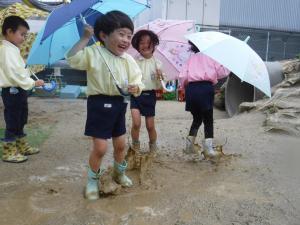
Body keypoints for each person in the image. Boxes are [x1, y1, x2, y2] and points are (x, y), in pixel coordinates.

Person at [66, 11, 144, 200]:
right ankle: (92, 181)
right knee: (100, 148)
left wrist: (136, 87)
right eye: (121, 34)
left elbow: (138, 80)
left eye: (129, 35)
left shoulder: (128, 59)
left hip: (119, 103)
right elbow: (72, 58)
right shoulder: (94, 53)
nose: (126, 40)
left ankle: (118, 172)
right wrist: (85, 38)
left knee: (121, 144)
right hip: (98, 103)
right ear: (103, 35)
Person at [0, 16, 44, 163]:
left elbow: (19, 70)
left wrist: (27, 70)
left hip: (19, 90)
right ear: (9, 32)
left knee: (21, 117)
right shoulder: (6, 50)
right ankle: (9, 151)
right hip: (12, 90)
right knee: (13, 119)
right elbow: (14, 74)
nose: (24, 38)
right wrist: (32, 83)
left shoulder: (13, 50)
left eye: (25, 35)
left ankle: (20, 145)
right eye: (22, 34)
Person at [179, 41, 230, 158]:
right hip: (205, 89)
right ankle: (208, 148)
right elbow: (222, 72)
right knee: (208, 119)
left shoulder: (190, 59)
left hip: (191, 90)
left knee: (197, 119)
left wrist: (185, 86)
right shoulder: (211, 57)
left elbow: (183, 77)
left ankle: (189, 146)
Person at [130, 29, 163, 154]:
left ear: (154, 45)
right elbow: (130, 79)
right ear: (137, 46)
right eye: (141, 43)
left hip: (150, 95)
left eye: (148, 42)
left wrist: (160, 77)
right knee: (136, 123)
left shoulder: (158, 63)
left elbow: (160, 86)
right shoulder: (133, 61)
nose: (145, 45)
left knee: (150, 126)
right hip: (136, 95)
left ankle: (153, 147)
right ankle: (135, 146)